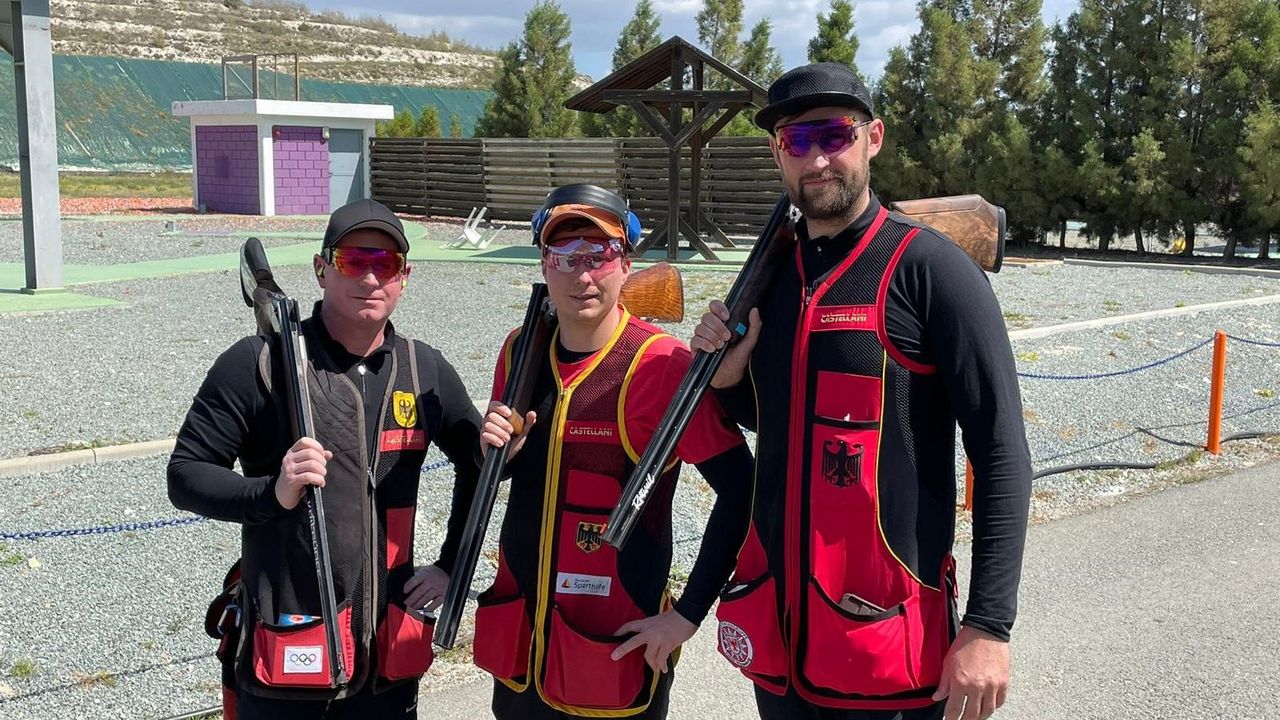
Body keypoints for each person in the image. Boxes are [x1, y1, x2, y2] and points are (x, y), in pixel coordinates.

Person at [690, 63, 1033, 720]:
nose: (817, 157)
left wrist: (989, 626)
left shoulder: (931, 270)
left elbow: (1000, 450)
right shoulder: (774, 278)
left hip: (891, 654)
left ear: (873, 138)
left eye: (835, 135)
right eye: (796, 141)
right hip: (786, 652)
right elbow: (787, 423)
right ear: (777, 154)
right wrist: (731, 382)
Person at [168, 198, 482, 719]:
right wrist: (272, 491)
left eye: (387, 265)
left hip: (387, 661)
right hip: (287, 648)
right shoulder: (261, 363)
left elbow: (481, 465)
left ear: (405, 277)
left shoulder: (423, 369)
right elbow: (185, 475)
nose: (371, 278)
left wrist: (453, 565)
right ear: (321, 269)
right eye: (354, 261)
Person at [467, 184, 756, 719]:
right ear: (544, 264)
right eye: (566, 256)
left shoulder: (662, 365)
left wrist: (689, 614)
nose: (583, 275)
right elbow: (513, 476)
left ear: (627, 264)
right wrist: (503, 456)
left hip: (613, 652)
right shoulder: (520, 350)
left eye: (600, 256)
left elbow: (743, 489)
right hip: (521, 655)